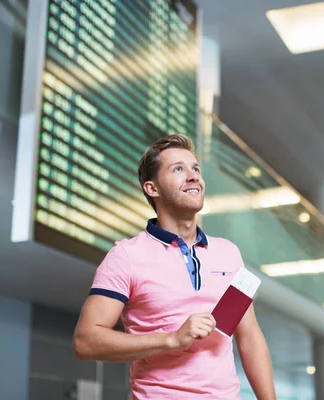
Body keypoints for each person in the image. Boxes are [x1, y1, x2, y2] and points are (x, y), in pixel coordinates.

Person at [73, 134, 276, 399]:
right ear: (152, 189)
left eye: (195, 169)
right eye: (178, 169)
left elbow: (249, 337)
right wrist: (171, 339)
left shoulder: (228, 253)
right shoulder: (126, 256)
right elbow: (85, 341)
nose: (193, 176)